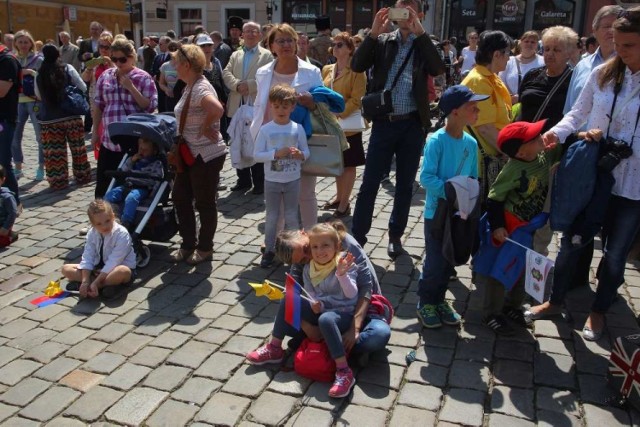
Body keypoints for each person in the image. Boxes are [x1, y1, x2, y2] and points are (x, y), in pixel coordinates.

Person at [529, 7, 640, 341]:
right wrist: (559, 134)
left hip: (632, 183)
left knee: (616, 252)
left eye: (629, 45)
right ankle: (555, 300)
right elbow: (578, 112)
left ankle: (598, 310)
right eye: (617, 43)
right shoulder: (604, 73)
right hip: (594, 173)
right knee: (572, 241)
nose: (620, 51)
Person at [350, 1, 445, 258]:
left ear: (419, 15)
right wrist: (372, 34)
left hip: (412, 124)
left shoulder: (426, 43)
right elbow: (357, 65)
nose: (404, 17)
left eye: (410, 12)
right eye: (400, 11)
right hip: (384, 123)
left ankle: (395, 236)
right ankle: (357, 237)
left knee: (404, 185)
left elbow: (438, 68)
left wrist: (420, 33)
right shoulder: (383, 41)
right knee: (369, 183)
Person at [248, 223, 359, 398]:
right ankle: (275, 347)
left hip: (343, 312)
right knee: (289, 297)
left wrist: (342, 276)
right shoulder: (308, 267)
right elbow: (310, 293)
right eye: (313, 248)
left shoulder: (344, 261)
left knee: (330, 321)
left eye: (309, 248)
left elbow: (355, 293)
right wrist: (314, 308)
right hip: (322, 310)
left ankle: (344, 371)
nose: (314, 253)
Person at [557, 5, 623, 292]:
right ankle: (575, 281)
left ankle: (609, 277)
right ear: (593, 31)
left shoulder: (631, 64)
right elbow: (572, 110)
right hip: (586, 152)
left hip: (622, 161)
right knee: (580, 217)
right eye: (604, 25)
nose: (610, 30)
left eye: (616, 25)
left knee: (615, 225)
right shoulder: (584, 66)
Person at [477, 120, 563, 335]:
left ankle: (512, 306)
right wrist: (497, 226)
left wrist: (576, 136)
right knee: (500, 269)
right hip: (509, 227)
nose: (540, 136)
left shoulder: (543, 156)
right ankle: (491, 312)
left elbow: (562, 145)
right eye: (534, 138)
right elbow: (494, 199)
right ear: (522, 153)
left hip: (529, 227)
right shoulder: (513, 169)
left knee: (524, 268)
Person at [416, 85, 486, 328]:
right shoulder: (436, 141)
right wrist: (450, 190)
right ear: (455, 112)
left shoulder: (471, 143)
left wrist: (471, 197)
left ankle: (440, 299)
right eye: (472, 106)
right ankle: (426, 301)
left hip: (460, 213)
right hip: (437, 213)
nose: (477, 110)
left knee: (450, 260)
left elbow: (474, 177)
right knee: (435, 260)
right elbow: (426, 178)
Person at [274, 221, 391, 360]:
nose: (311, 255)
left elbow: (366, 288)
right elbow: (292, 292)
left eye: (306, 249)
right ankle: (337, 346)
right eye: (303, 260)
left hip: (355, 310)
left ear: (303, 233)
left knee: (378, 335)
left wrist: (355, 327)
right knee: (286, 319)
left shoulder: (343, 242)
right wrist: (307, 327)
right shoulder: (301, 257)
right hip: (324, 313)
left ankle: (328, 346)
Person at [250, 23, 323, 231]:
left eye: (290, 40)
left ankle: (311, 238)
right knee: (277, 194)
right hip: (273, 139)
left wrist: (312, 102)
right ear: (271, 45)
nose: (286, 45)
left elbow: (325, 105)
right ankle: (279, 238)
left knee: (306, 194)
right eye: (280, 41)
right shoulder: (264, 72)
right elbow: (260, 105)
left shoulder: (311, 71)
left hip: (302, 139)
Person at [171, 44, 227, 265]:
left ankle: (205, 247)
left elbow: (217, 109)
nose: (174, 66)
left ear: (186, 65)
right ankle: (188, 243)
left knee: (204, 202)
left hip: (205, 154)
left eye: (176, 62)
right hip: (190, 153)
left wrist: (205, 127)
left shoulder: (200, 87)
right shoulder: (190, 86)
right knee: (180, 197)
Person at [92, 36, 157, 199]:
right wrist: (95, 132)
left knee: (129, 185)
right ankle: (102, 220)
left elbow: (149, 106)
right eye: (114, 59)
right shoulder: (106, 76)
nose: (118, 63)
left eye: (122, 59)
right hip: (109, 138)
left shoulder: (143, 77)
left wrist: (131, 87)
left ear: (132, 57)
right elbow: (98, 105)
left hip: (133, 139)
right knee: (103, 185)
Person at [253, 84, 309, 268]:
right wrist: (276, 154)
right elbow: (257, 155)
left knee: (293, 216)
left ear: (292, 107)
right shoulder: (266, 130)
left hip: (292, 179)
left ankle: (294, 251)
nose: (280, 110)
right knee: (272, 217)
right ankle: (269, 249)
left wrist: (300, 155)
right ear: (271, 106)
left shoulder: (297, 128)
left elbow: (306, 152)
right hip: (272, 181)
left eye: (285, 106)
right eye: (277, 106)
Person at [461, 30, 513, 204]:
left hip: (489, 157)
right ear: (497, 54)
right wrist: (511, 152)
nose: (509, 57)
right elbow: (485, 128)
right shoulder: (479, 81)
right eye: (507, 53)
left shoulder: (492, 78)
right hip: (478, 164)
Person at [223, 21, 273, 194]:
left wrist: (250, 86)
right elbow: (226, 73)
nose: (251, 34)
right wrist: (237, 85)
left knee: (256, 142)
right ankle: (243, 180)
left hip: (255, 104)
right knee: (237, 140)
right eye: (247, 31)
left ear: (259, 35)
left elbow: (268, 77)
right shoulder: (235, 54)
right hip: (237, 103)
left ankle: (259, 183)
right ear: (242, 35)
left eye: (254, 31)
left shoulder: (266, 55)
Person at [321, 32, 367, 218]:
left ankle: (345, 203)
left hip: (348, 125)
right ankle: (338, 197)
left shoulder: (357, 71)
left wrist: (339, 113)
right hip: (331, 124)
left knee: (348, 164)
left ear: (349, 49)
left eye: (340, 44)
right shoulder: (327, 69)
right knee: (337, 163)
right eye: (334, 44)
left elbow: (357, 99)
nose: (335, 47)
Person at [35, 44, 91, 190]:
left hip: (50, 119)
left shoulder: (39, 74)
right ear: (58, 54)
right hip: (71, 115)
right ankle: (82, 175)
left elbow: (39, 95)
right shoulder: (67, 68)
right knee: (78, 149)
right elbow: (83, 87)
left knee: (54, 152)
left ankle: (58, 180)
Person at [61, 199, 136, 299]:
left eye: (107, 221)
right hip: (97, 269)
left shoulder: (122, 234)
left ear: (113, 216)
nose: (104, 226)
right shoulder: (92, 233)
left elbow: (114, 261)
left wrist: (95, 282)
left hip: (115, 269)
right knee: (65, 269)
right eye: (99, 224)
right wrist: (85, 280)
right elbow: (88, 257)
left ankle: (95, 286)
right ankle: (99, 286)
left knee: (123, 271)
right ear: (92, 224)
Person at [517, 26, 576, 129]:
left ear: (568, 54)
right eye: (547, 49)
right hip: (524, 139)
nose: (550, 54)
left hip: (552, 141)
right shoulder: (532, 75)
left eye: (556, 50)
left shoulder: (574, 80)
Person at [104, 138, 163, 230]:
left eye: (145, 150)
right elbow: (123, 170)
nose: (142, 152)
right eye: (140, 149)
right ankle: (107, 218)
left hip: (142, 187)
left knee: (131, 198)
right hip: (127, 185)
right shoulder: (133, 160)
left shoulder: (156, 163)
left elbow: (158, 179)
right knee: (109, 195)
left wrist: (153, 194)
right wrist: (131, 160)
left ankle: (126, 222)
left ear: (154, 151)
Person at [11, 29, 44, 181]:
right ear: (16, 43)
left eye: (26, 42)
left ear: (31, 42)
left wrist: (31, 72)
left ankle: (41, 166)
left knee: (39, 136)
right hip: (17, 101)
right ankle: (18, 166)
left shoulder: (38, 59)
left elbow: (44, 78)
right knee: (15, 136)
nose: (24, 45)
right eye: (21, 42)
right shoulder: (12, 59)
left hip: (34, 100)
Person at [0, 35, 21, 210]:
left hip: (4, 118)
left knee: (4, 161)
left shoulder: (7, 60)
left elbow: (2, 90)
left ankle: (14, 202)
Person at [499, 31, 544, 104]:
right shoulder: (509, 61)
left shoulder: (543, 62)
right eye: (526, 41)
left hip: (533, 104)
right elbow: (501, 81)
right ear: (521, 43)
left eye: (533, 42)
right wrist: (510, 96)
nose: (529, 44)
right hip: (510, 104)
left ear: (537, 44)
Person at [158, 41, 180, 112]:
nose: (173, 50)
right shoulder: (165, 66)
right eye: (171, 48)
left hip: (182, 97)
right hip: (170, 98)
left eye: (176, 48)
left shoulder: (184, 64)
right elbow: (161, 83)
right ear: (168, 50)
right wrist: (166, 89)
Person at [151, 36, 171, 113]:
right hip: (158, 87)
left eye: (161, 44)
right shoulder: (158, 57)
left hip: (168, 88)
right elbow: (153, 69)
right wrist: (154, 75)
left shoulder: (173, 57)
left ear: (167, 44)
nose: (159, 46)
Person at [0, 165, 18, 247]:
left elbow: (12, 213)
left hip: (2, 227)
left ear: (3, 180)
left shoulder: (7, 197)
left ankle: (11, 235)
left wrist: (6, 228)